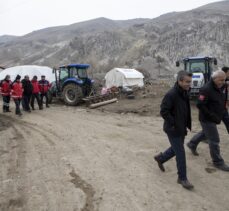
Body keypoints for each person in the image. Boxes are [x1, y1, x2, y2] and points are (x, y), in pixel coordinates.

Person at [154, 70, 194, 190]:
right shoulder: (171, 94)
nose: (189, 84)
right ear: (179, 81)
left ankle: (160, 158)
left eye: (190, 82)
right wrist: (174, 124)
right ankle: (182, 178)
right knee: (180, 153)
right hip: (173, 129)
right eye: (187, 82)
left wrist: (185, 124)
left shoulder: (184, 92)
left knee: (176, 148)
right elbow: (163, 111)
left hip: (181, 127)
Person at [187, 70, 229, 171]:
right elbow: (200, 105)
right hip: (207, 118)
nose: (223, 82)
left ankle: (192, 144)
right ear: (214, 79)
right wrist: (212, 115)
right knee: (214, 139)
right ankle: (217, 162)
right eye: (221, 80)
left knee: (206, 133)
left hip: (219, 114)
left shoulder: (220, 86)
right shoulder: (206, 89)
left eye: (224, 80)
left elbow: (221, 97)